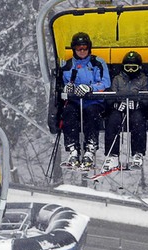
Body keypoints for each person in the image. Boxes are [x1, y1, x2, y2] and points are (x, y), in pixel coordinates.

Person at [60, 32, 110, 169]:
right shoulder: (68, 65)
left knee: (91, 113)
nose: (82, 51)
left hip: (94, 101)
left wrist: (89, 88)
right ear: (74, 49)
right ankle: (72, 148)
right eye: (79, 48)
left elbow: (105, 82)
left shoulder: (98, 63)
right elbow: (62, 85)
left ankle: (90, 147)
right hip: (75, 101)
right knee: (69, 112)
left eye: (85, 48)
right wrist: (68, 88)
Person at [102, 51, 148, 170]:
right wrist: (115, 103)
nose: (131, 71)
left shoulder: (143, 79)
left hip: (135, 109)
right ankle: (112, 154)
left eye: (134, 68)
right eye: (128, 68)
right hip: (120, 107)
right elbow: (111, 94)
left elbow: (147, 96)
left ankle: (137, 153)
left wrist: (139, 103)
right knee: (113, 119)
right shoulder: (118, 79)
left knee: (138, 119)